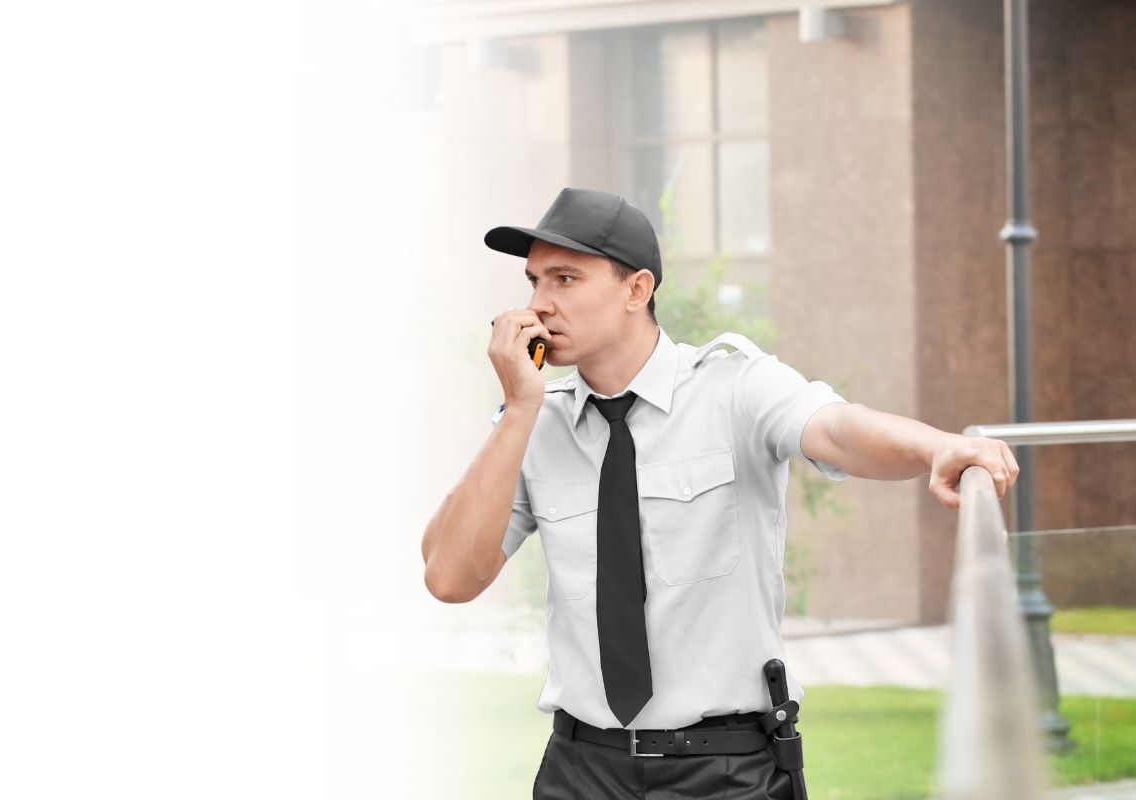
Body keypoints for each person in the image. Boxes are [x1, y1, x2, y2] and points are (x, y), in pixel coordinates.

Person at [420, 187, 1019, 800]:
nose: (540, 305)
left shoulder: (734, 387)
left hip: (724, 773)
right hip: (581, 770)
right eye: (534, 281)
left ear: (637, 289)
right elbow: (449, 577)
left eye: (566, 279)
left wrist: (935, 448)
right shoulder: (534, 421)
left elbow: (837, 428)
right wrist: (519, 409)